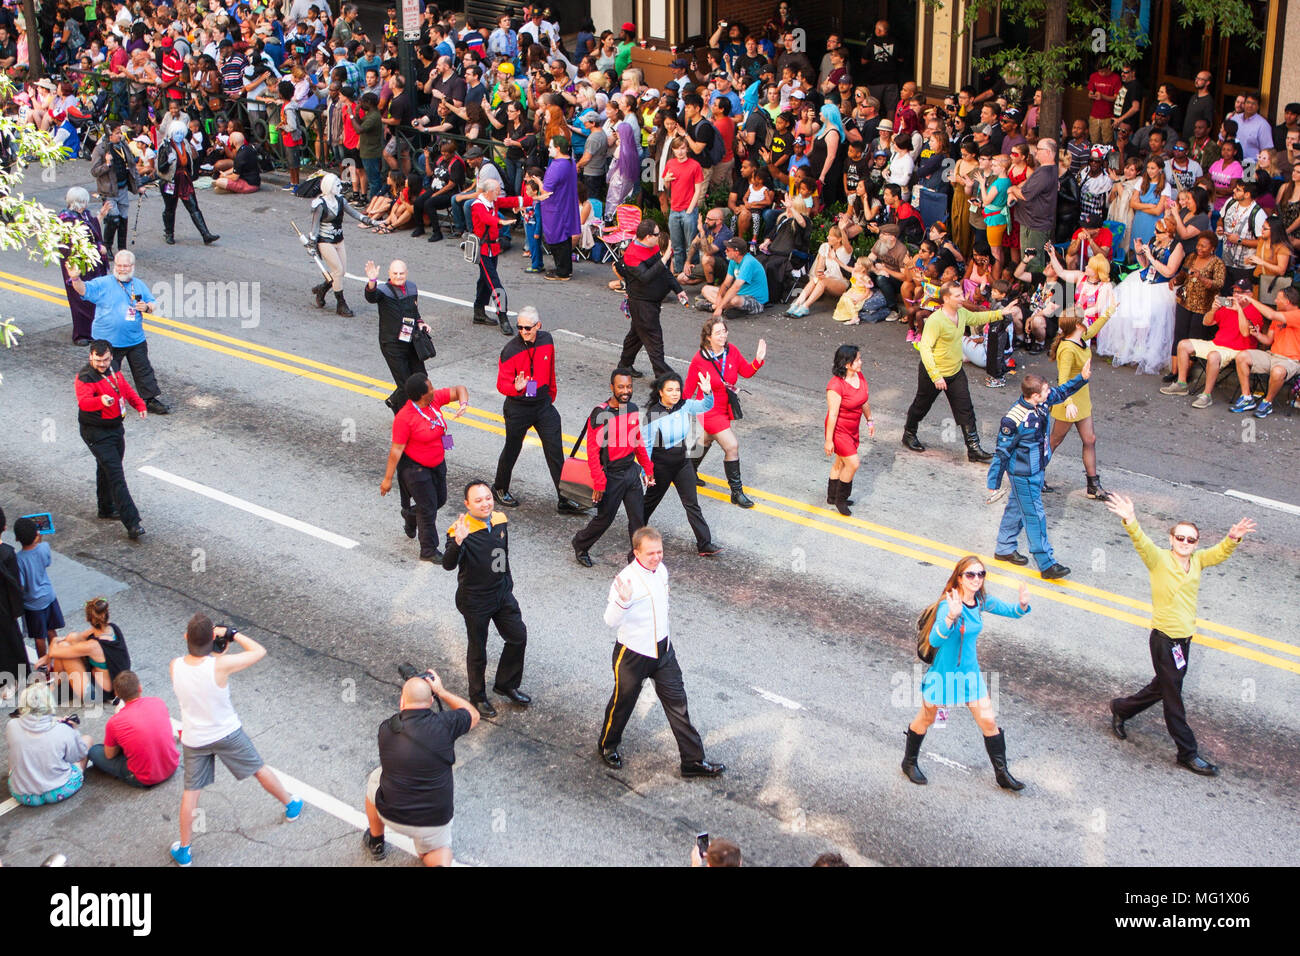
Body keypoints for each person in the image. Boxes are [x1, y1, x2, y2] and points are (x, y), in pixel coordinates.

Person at [1105, 494, 1255, 776]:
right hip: (1164, 641)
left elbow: (1219, 553)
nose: (1186, 543)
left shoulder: (1197, 561)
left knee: (1162, 688)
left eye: (1192, 540)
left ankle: (1122, 708)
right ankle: (1187, 753)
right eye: (1181, 538)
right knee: (1174, 699)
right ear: (1171, 539)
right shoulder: (1158, 560)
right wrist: (1130, 518)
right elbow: (1141, 540)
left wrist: (1233, 538)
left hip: (1184, 642)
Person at [169, 615, 304, 866]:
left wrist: (214, 648)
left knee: (191, 793)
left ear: (186, 638)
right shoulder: (220, 666)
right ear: (212, 638)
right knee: (258, 769)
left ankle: (185, 849)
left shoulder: (175, 665)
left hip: (195, 739)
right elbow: (258, 651)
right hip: (227, 733)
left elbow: (199, 669)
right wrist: (232, 634)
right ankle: (290, 804)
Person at [597, 526, 725, 777]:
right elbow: (610, 621)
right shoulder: (625, 580)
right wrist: (623, 600)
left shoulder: (661, 571)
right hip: (633, 654)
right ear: (636, 553)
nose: (656, 557)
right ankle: (607, 745)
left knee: (678, 705)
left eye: (659, 552)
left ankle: (692, 761)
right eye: (650, 553)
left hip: (663, 651)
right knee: (622, 703)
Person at [901, 556, 1031, 790]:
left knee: (989, 720)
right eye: (970, 574)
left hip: (970, 675)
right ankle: (909, 762)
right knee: (926, 719)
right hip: (944, 675)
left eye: (981, 574)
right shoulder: (948, 604)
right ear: (959, 578)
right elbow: (934, 639)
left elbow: (1011, 611)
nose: (976, 579)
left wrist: (1021, 605)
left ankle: (1002, 773)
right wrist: (951, 616)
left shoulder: (980, 601)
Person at [364, 666, 478, 865]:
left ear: (401, 702)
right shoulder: (445, 724)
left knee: (376, 777)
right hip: (433, 823)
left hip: (392, 814)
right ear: (431, 701)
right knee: (438, 851)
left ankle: (376, 841)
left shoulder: (386, 729)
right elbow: (472, 714)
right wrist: (441, 690)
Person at [987, 367, 1091, 579]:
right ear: (1034, 395)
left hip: (1036, 469)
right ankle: (1046, 563)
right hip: (1023, 475)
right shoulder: (1013, 419)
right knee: (1035, 517)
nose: (1048, 392)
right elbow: (1002, 452)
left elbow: (1061, 392)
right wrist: (994, 481)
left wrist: (1082, 378)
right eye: (1045, 390)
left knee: (1016, 508)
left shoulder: (1041, 401)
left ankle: (1004, 547)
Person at [441, 481, 530, 718]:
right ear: (467, 504)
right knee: (478, 650)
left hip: (501, 594)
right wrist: (458, 541)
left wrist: (506, 582)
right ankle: (477, 696)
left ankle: (506, 684)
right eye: (478, 500)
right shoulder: (459, 529)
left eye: (488, 498)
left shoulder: (500, 520)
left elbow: (501, 553)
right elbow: (448, 565)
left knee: (518, 636)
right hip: (475, 600)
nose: (485, 503)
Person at [901, 281, 997, 462]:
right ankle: (909, 433)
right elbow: (925, 349)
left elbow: (976, 319)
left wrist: (1002, 313)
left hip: (955, 371)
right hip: (933, 373)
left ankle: (974, 449)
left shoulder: (961, 313)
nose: (963, 298)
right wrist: (936, 376)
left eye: (962, 294)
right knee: (922, 404)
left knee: (965, 408)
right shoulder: (936, 321)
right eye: (958, 296)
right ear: (946, 299)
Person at [66, 252, 170, 416]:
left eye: (125, 266)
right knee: (105, 373)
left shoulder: (139, 284)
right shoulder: (103, 283)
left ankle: (150, 400)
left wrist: (147, 308)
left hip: (135, 339)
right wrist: (75, 279)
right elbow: (83, 290)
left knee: (144, 371)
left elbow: (153, 303)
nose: (122, 269)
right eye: (119, 265)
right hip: (108, 342)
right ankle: (100, 401)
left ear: (132, 267)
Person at [380, 373, 469, 562]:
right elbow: (396, 450)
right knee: (428, 509)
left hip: (437, 462)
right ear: (421, 395)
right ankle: (428, 550)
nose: (434, 390)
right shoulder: (405, 418)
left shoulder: (434, 400)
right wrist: (387, 479)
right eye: (430, 388)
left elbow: (459, 389)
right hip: (416, 469)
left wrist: (463, 404)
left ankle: (411, 515)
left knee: (440, 500)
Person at [572, 368, 656, 567]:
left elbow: (637, 441)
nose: (625, 391)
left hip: (631, 472)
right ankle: (580, 543)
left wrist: (647, 468)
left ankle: (636, 560)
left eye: (628, 386)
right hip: (610, 477)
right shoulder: (601, 414)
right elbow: (592, 451)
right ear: (612, 388)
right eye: (621, 387)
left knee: (638, 519)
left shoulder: (633, 409)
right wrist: (599, 482)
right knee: (604, 519)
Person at [684, 318, 768, 508]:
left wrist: (758, 360)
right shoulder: (699, 359)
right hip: (708, 409)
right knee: (731, 446)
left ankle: (688, 474)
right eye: (718, 333)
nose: (723, 335)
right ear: (708, 337)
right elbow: (689, 388)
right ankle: (736, 493)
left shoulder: (732, 351)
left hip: (724, 408)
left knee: (705, 440)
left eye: (724, 331)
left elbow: (746, 372)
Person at [73, 340, 148, 540]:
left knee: (107, 467)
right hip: (96, 433)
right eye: (98, 360)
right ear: (91, 357)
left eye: (105, 359)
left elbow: (124, 388)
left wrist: (139, 404)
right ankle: (133, 523)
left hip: (115, 428)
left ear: (111, 357)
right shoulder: (85, 377)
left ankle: (105, 508)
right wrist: (100, 401)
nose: (102, 364)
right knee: (116, 476)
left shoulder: (113, 369)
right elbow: (84, 402)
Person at [641, 372, 721, 557]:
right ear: (660, 392)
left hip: (682, 463)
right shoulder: (654, 414)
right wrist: (647, 470)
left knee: (692, 503)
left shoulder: (684, 405)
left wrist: (708, 392)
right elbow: (646, 444)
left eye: (677, 389)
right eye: (670, 390)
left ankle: (704, 543)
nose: (675, 393)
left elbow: (704, 406)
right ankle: (636, 530)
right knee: (649, 503)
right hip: (661, 466)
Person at [1161, 281, 1263, 408]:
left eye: (1240, 292)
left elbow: (1245, 333)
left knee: (1213, 356)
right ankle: (1182, 384)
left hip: (1238, 350)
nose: (1236, 295)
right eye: (1235, 291)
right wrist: (1213, 309)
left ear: (1250, 295)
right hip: (1216, 344)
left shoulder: (1255, 311)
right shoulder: (1227, 307)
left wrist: (1239, 310)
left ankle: (1206, 395)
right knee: (1183, 344)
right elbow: (1207, 322)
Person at [1047, 312, 1113, 501]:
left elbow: (1093, 330)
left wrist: (1108, 312)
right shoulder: (1068, 348)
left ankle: (1093, 485)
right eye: (1083, 319)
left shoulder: (1080, 338)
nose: (1087, 321)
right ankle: (1036, 474)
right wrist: (1067, 402)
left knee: (1090, 439)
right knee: (1055, 440)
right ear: (1077, 325)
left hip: (1082, 400)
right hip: (1069, 402)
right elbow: (1063, 380)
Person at [1097, 228, 1181, 374]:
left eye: (1159, 231)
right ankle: (1130, 346)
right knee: (1126, 307)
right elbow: (1144, 265)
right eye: (1154, 230)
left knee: (1149, 312)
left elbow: (1169, 272)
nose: (1155, 233)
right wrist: (1139, 252)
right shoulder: (1154, 241)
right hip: (1144, 279)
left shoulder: (1176, 247)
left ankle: (1145, 350)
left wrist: (1152, 258)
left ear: (1169, 233)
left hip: (1161, 285)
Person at [617, 220, 692, 378]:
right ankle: (664, 376)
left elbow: (664, 272)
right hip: (642, 303)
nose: (660, 237)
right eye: (657, 234)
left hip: (651, 301)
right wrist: (664, 258)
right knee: (653, 338)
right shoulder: (632, 254)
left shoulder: (652, 247)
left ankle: (624, 366)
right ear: (648, 237)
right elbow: (646, 277)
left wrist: (678, 290)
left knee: (637, 335)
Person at [87, 670, 179, 787]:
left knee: (94, 751)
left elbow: (109, 755)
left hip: (145, 778)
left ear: (117, 695)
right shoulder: (158, 702)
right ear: (140, 688)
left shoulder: (114, 722)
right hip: (172, 765)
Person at [6, 683, 92, 806]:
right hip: (59, 790)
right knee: (87, 740)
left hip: (23, 794)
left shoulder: (12, 725)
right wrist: (73, 730)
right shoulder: (63, 730)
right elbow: (78, 755)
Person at [363, 259, 430, 415]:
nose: (398, 276)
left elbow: (414, 310)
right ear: (389, 274)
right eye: (395, 273)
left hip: (411, 341)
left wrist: (420, 323)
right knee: (405, 383)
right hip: (392, 343)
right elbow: (371, 297)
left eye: (401, 273)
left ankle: (394, 400)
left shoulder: (412, 288)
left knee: (421, 379)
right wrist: (372, 280)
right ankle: (403, 417)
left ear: (406, 273)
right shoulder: (384, 291)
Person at [306, 172, 375, 317]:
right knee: (337, 271)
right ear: (329, 187)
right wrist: (312, 243)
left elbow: (354, 213)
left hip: (339, 239)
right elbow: (315, 227)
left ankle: (322, 288)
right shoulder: (320, 204)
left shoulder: (340, 200)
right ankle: (341, 303)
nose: (340, 187)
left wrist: (369, 220)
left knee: (341, 272)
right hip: (325, 241)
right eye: (337, 185)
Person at [1228, 287, 1300, 419]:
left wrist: (1251, 299)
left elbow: (1271, 314)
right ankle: (1247, 397)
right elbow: (1268, 341)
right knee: (1242, 356)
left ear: (1287, 302)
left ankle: (1267, 402)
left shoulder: (1297, 315)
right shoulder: (1278, 317)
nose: (1275, 300)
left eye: (1278, 298)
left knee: (1278, 371)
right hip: (1272, 355)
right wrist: (1257, 334)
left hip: (1291, 361)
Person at [824, 345, 874, 516]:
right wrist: (829, 440)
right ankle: (841, 500)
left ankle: (832, 496)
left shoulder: (859, 376)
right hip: (839, 431)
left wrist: (869, 420)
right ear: (847, 364)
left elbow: (863, 401)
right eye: (858, 359)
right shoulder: (835, 386)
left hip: (853, 428)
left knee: (840, 463)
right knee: (853, 463)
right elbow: (832, 415)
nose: (861, 362)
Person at [58, 187, 109, 346]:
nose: (86, 205)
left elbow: (93, 230)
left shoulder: (84, 214)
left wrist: (101, 215)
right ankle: (81, 334)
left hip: (93, 264)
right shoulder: (66, 219)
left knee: (94, 297)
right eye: (84, 202)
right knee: (80, 300)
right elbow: (70, 246)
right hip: (79, 264)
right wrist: (96, 248)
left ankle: (95, 330)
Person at [156, 126, 219, 245]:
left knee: (193, 207)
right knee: (170, 208)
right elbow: (160, 168)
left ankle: (205, 234)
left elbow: (192, 160)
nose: (179, 135)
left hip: (184, 179)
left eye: (181, 133)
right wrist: (168, 161)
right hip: (170, 180)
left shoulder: (185, 144)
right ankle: (169, 233)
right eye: (176, 133)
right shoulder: (165, 147)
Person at [469, 179, 514, 335]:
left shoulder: (492, 202)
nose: (499, 192)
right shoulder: (478, 205)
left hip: (492, 248)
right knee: (495, 284)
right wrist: (501, 221)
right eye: (497, 190)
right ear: (489, 192)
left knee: (484, 280)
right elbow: (486, 219)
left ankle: (479, 312)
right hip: (483, 249)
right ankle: (503, 317)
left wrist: (535, 198)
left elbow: (511, 201)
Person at [88, 124, 140, 254]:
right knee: (113, 218)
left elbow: (132, 166)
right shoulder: (100, 150)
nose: (120, 135)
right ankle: (107, 246)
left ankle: (122, 248)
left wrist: (139, 185)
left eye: (120, 133)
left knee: (123, 218)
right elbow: (94, 171)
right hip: (109, 190)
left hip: (122, 188)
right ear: (110, 135)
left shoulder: (123, 145)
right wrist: (107, 164)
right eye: (117, 133)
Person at [537, 136, 580, 280]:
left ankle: (562, 272)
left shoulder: (557, 166)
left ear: (558, 149)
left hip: (555, 206)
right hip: (565, 204)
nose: (548, 149)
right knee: (564, 237)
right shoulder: (570, 161)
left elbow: (546, 191)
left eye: (550, 147)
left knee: (557, 238)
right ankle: (565, 269)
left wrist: (537, 182)